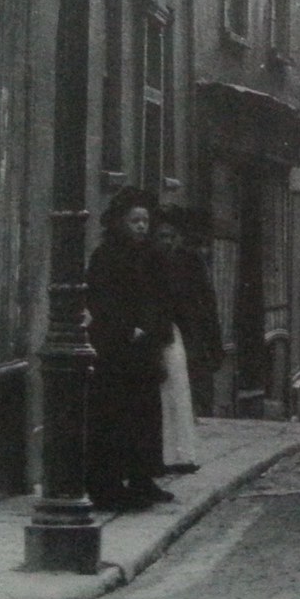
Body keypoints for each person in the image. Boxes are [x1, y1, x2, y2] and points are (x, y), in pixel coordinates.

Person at [85, 186, 175, 510]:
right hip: (115, 350)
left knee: (145, 417)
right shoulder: (105, 256)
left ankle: (141, 479)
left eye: (145, 221)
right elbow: (99, 301)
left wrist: (152, 329)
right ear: (120, 222)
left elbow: (162, 298)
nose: (141, 226)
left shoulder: (152, 257)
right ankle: (107, 486)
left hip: (143, 349)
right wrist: (127, 328)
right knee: (114, 418)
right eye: (135, 220)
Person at [152, 205, 222, 473]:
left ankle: (180, 452)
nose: (167, 241)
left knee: (180, 393)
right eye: (162, 236)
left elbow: (206, 302)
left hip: (182, 336)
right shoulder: (148, 261)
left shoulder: (189, 261)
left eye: (171, 236)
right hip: (159, 334)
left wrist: (210, 342)